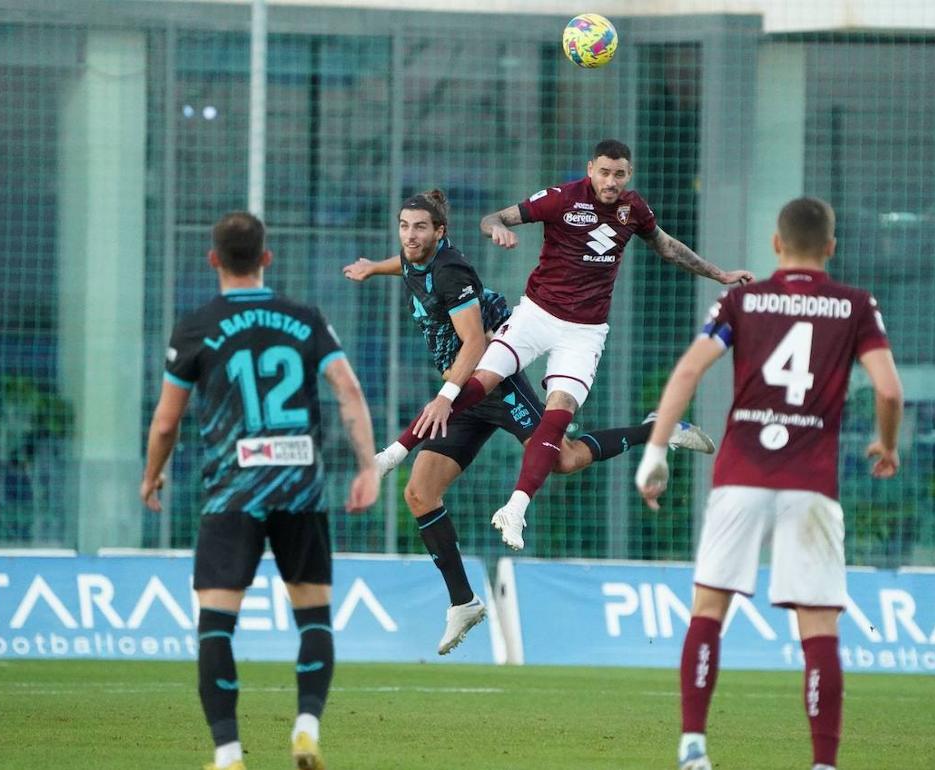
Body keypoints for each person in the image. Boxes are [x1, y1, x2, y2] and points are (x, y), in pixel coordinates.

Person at [342, 189, 716, 654]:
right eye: (404, 226)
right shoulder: (416, 256)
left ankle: (658, 429)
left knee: (564, 460)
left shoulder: (451, 271)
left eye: (419, 227)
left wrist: (447, 395)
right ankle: (464, 602)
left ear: (440, 232)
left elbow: (475, 344)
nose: (409, 236)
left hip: (487, 385)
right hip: (460, 393)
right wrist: (373, 268)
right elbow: (406, 263)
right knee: (419, 493)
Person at [372, 140, 754, 550]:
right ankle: (392, 455)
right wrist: (497, 228)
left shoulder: (634, 210)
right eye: (604, 172)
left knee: (559, 418)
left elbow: (666, 245)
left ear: (629, 175)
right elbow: (493, 217)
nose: (611, 181)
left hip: (584, 332)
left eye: (619, 174)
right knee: (478, 382)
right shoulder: (560, 199)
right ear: (590, 170)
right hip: (535, 316)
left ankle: (516, 508)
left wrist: (719, 274)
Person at [634, 197, 904, 770]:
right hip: (810, 484)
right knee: (818, 626)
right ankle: (824, 763)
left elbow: (689, 369)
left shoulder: (743, 299)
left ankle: (692, 748)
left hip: (741, 475)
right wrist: (887, 444)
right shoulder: (856, 305)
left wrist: (655, 451)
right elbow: (888, 390)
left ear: (776, 244)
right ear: (830, 247)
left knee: (709, 609)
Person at [140, 211, 378, 770]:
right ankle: (306, 730)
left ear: (213, 260)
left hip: (233, 495)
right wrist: (367, 467)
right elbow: (347, 389)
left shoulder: (196, 327)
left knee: (216, 625)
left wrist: (152, 475)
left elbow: (167, 423)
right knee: (313, 617)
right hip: (300, 492)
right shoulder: (305, 318)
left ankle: (228, 754)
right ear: (267, 258)